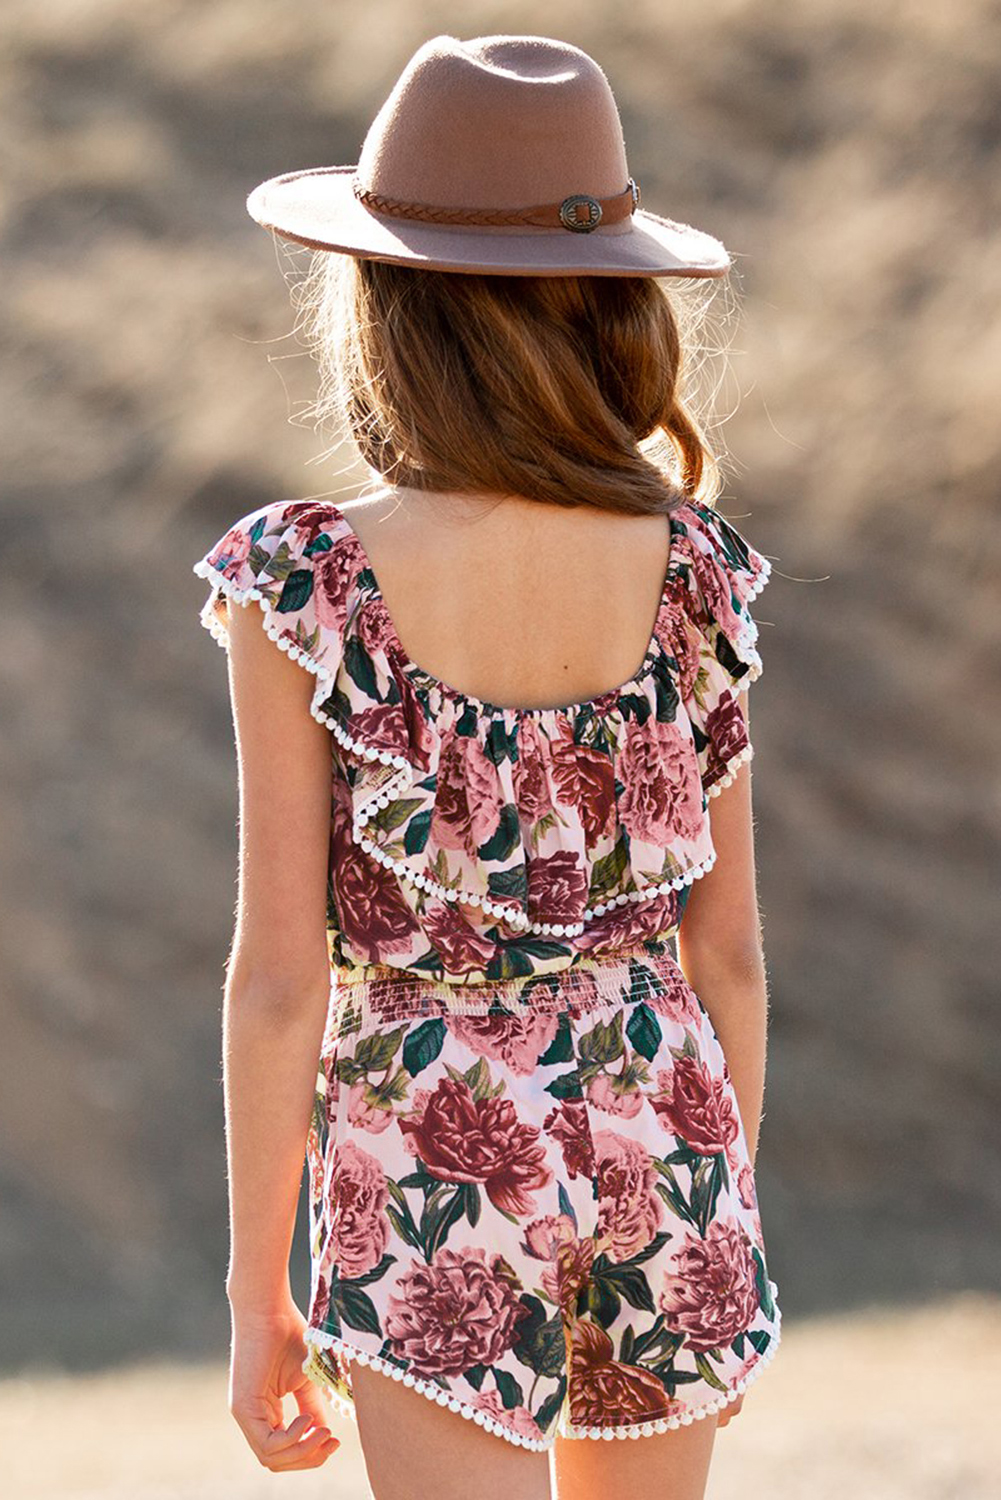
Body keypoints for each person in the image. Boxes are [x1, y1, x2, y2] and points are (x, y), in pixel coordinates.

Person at [192, 33, 782, 1500]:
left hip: (426, 1141)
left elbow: (280, 978)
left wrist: (255, 1291)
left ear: (383, 305)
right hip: (670, 1116)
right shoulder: (696, 571)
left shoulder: (309, 583)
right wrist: (711, 1193)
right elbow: (734, 956)